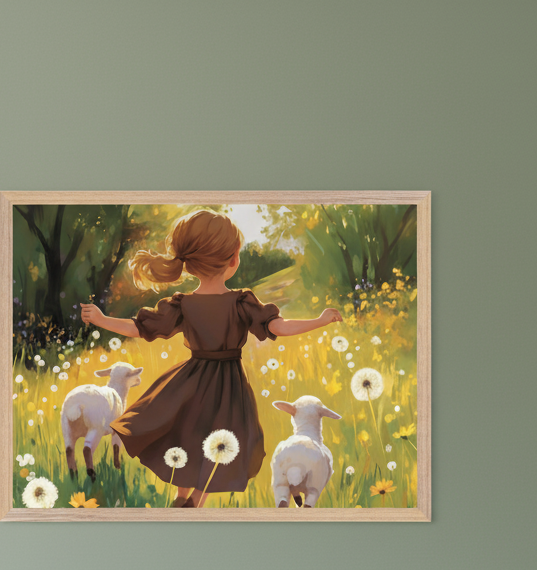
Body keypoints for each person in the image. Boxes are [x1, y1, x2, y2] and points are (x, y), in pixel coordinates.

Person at [80, 209, 342, 507]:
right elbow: (279, 327)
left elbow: (139, 328)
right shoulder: (242, 302)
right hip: (228, 388)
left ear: (189, 264)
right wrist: (319, 320)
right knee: (221, 441)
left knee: (187, 434)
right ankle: (195, 501)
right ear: (233, 259)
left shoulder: (182, 305)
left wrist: (102, 319)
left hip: (189, 383)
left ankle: (181, 499)